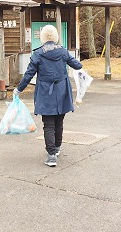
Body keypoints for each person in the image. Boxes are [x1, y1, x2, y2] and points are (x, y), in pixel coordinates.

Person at [14, 24, 82, 167]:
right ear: (56, 36)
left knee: (49, 124)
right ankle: (56, 149)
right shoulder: (63, 52)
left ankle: (51, 156)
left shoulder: (38, 54)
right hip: (63, 91)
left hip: (45, 93)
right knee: (59, 122)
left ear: (43, 37)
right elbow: (77, 65)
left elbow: (28, 75)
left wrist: (18, 89)